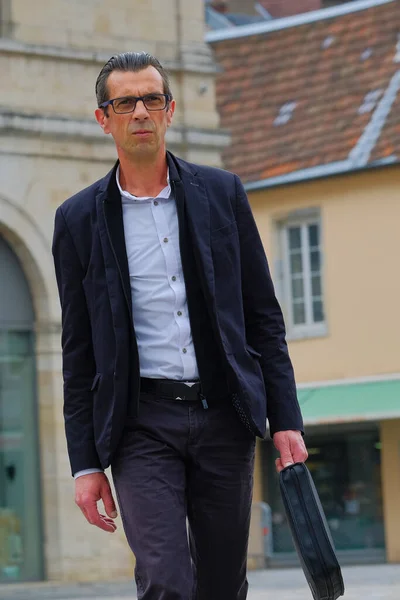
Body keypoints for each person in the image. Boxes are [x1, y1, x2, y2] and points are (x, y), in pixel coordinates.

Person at [52, 51, 308, 600]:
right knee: (166, 580)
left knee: (220, 585)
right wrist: (85, 465)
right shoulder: (76, 219)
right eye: (125, 102)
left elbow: (263, 317)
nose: (140, 111)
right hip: (140, 425)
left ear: (169, 110)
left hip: (224, 417)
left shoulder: (222, 194)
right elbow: (79, 353)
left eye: (151, 100)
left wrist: (285, 417)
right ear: (105, 118)